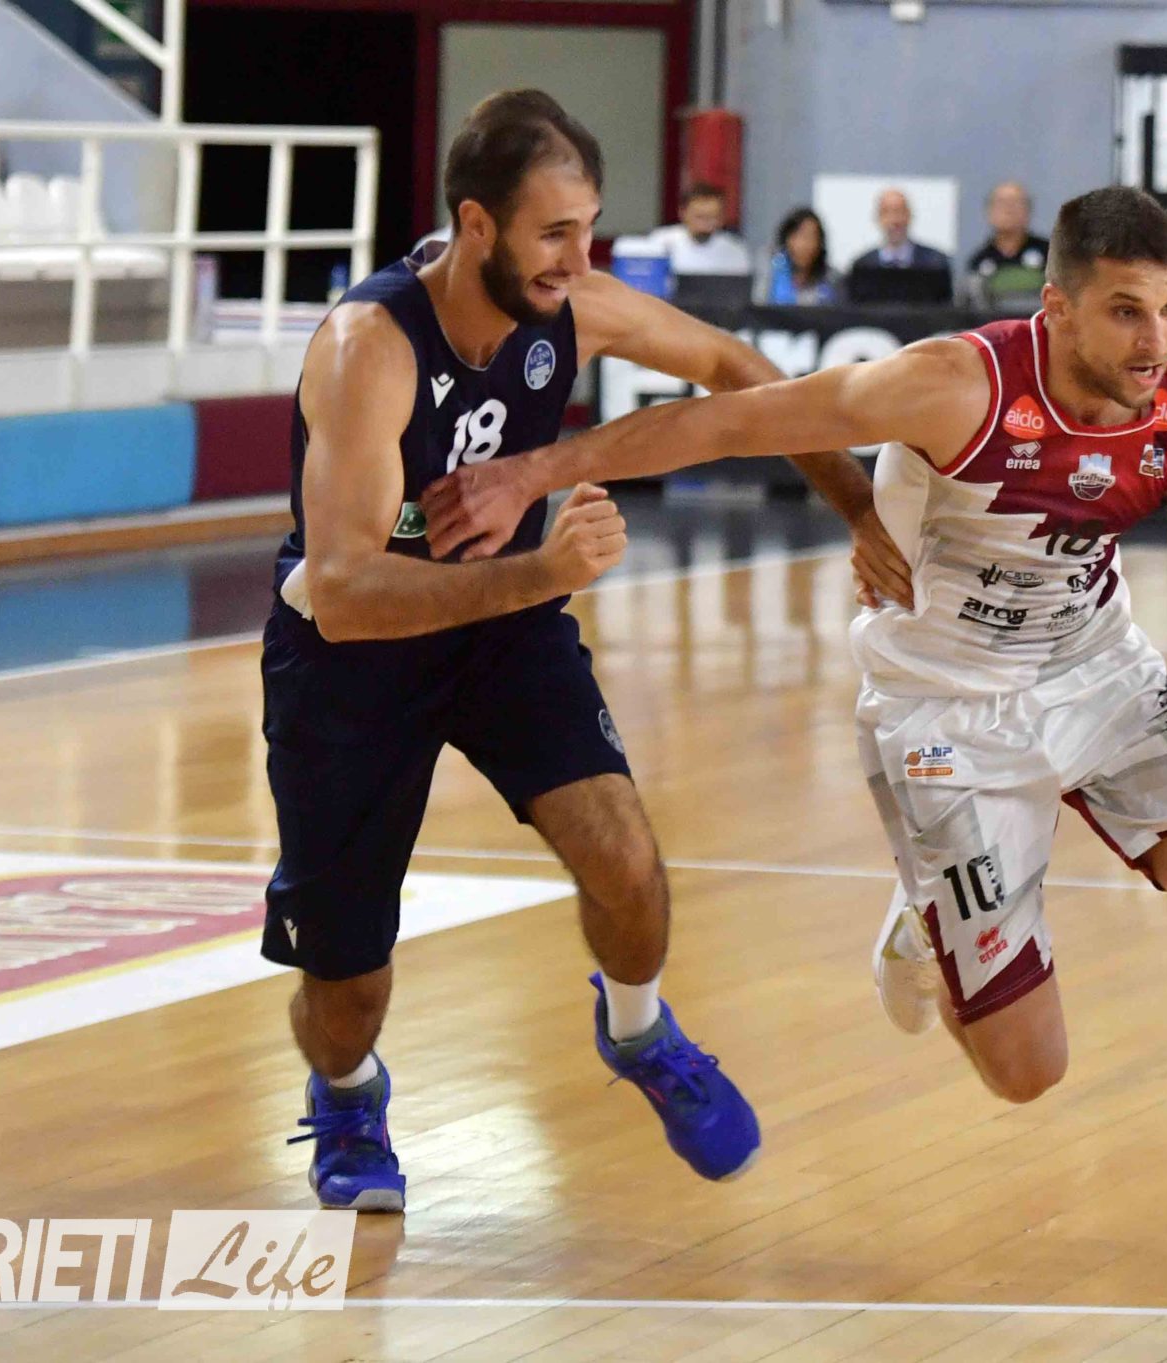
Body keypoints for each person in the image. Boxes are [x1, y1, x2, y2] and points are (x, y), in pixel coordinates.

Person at [424, 186, 1167, 1282]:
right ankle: (929, 916)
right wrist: (533, 470)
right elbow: (723, 421)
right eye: (1123, 311)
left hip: (1101, 677)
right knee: (1026, 1069)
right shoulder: (953, 385)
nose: (1153, 339)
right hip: (943, 711)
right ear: (1055, 307)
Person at [264, 89, 911, 1211]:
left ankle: (640, 1028)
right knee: (347, 988)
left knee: (626, 861)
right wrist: (543, 571)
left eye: (590, 228)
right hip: (356, 657)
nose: (579, 258)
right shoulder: (371, 348)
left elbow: (738, 372)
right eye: (553, 232)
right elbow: (346, 594)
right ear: (476, 226)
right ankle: (349, 1091)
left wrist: (857, 507)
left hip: (504, 632)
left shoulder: (574, 306)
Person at [962, 180, 1051, 311]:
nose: (1009, 209)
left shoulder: (1050, 254)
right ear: (989, 212)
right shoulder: (979, 260)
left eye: (1016, 203)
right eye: (1001, 203)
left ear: (1029, 210)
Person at [645, 183, 751, 277]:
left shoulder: (735, 250)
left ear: (722, 218)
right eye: (700, 217)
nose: (705, 223)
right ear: (682, 213)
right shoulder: (659, 242)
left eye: (712, 217)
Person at [755, 206, 842, 305]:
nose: (804, 245)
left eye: (811, 237)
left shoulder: (831, 278)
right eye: (799, 236)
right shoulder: (770, 266)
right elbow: (759, 304)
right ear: (786, 239)